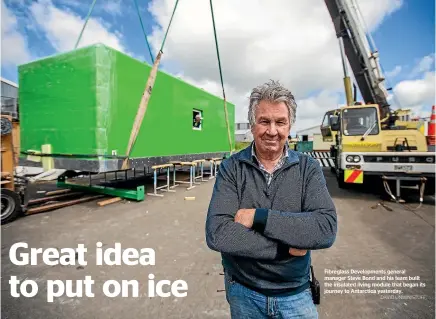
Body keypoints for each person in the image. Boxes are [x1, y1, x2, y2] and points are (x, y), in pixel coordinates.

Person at [205, 80, 337, 318]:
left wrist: (259, 217)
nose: (272, 131)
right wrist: (286, 248)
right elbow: (219, 233)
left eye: (280, 122)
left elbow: (325, 228)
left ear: (290, 125)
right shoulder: (231, 168)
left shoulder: (308, 168)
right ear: (253, 125)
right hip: (244, 292)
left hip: (295, 294)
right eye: (264, 121)